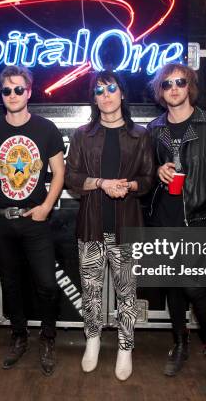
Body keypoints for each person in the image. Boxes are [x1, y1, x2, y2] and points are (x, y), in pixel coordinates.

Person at [146, 63, 206, 396]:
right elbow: (146, 172)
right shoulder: (154, 128)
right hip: (164, 216)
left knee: (194, 285)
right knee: (174, 286)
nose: (174, 88)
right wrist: (156, 170)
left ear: (190, 86)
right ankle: (179, 343)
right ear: (160, 91)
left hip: (200, 219)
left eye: (180, 82)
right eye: (167, 84)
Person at [65, 71, 154, 381]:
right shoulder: (82, 135)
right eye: (99, 90)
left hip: (127, 228)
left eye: (111, 88)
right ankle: (92, 341)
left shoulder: (140, 135)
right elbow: (72, 179)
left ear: (122, 94)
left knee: (127, 294)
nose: (105, 95)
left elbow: (148, 180)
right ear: (94, 98)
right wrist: (101, 183)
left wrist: (127, 186)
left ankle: (125, 347)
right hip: (90, 227)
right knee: (91, 293)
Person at [0, 66, 65, 376]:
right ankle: (18, 336)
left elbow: (59, 172)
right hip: (1, 222)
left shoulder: (46, 128)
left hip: (35, 221)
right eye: (6, 90)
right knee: (11, 285)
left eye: (18, 89)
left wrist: (45, 206)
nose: (13, 95)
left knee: (47, 285)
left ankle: (48, 338)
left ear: (29, 92)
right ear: (2, 95)